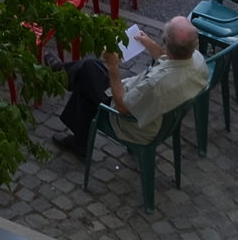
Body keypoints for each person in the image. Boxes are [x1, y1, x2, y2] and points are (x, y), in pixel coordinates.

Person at [52, 16, 210, 157]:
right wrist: (151, 45)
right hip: (159, 115)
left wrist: (113, 67)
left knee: (88, 69)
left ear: (168, 45)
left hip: (133, 123)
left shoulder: (156, 85)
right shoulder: (197, 60)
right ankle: (63, 77)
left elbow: (122, 107)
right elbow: (171, 59)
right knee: (88, 76)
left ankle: (59, 74)